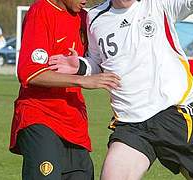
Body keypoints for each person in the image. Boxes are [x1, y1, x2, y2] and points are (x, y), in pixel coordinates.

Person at [50, 0, 193, 179]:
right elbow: (97, 61)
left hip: (174, 116)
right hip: (130, 124)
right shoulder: (95, 17)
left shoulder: (158, 5)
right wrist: (80, 66)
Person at [9, 0, 120, 180]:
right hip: (39, 116)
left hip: (74, 122)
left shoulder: (85, 18)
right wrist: (83, 81)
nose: (85, 0)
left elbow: (100, 61)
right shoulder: (41, 11)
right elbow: (30, 73)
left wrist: (82, 66)